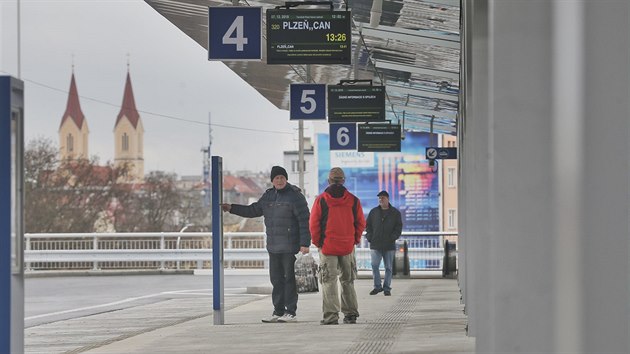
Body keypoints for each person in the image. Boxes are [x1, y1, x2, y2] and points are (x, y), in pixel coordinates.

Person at [221, 166, 311, 323]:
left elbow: (304, 221)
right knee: (276, 280)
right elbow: (253, 210)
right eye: (277, 178)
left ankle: (291, 312)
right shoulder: (268, 196)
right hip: (273, 246)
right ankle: (278, 311)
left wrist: (305, 243)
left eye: (282, 177)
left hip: (290, 246)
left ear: (286, 179)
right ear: (272, 181)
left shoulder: (295, 196)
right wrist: (231, 208)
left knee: (289, 279)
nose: (280, 180)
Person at [309, 167, 366, 325]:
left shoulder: (321, 200)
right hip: (347, 247)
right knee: (347, 281)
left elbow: (314, 224)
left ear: (328, 181)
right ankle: (350, 314)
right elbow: (361, 223)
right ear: (343, 181)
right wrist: (354, 239)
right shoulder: (353, 200)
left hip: (328, 247)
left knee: (329, 281)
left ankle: (331, 316)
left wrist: (318, 243)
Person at [365, 190, 403, 296]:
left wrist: (393, 237)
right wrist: (370, 237)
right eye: (379, 198)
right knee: (374, 265)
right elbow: (368, 226)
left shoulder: (395, 213)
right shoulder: (373, 212)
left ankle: (387, 288)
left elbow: (398, 227)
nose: (380, 199)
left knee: (388, 268)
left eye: (383, 198)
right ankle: (377, 287)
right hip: (375, 244)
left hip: (389, 244)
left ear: (388, 199)